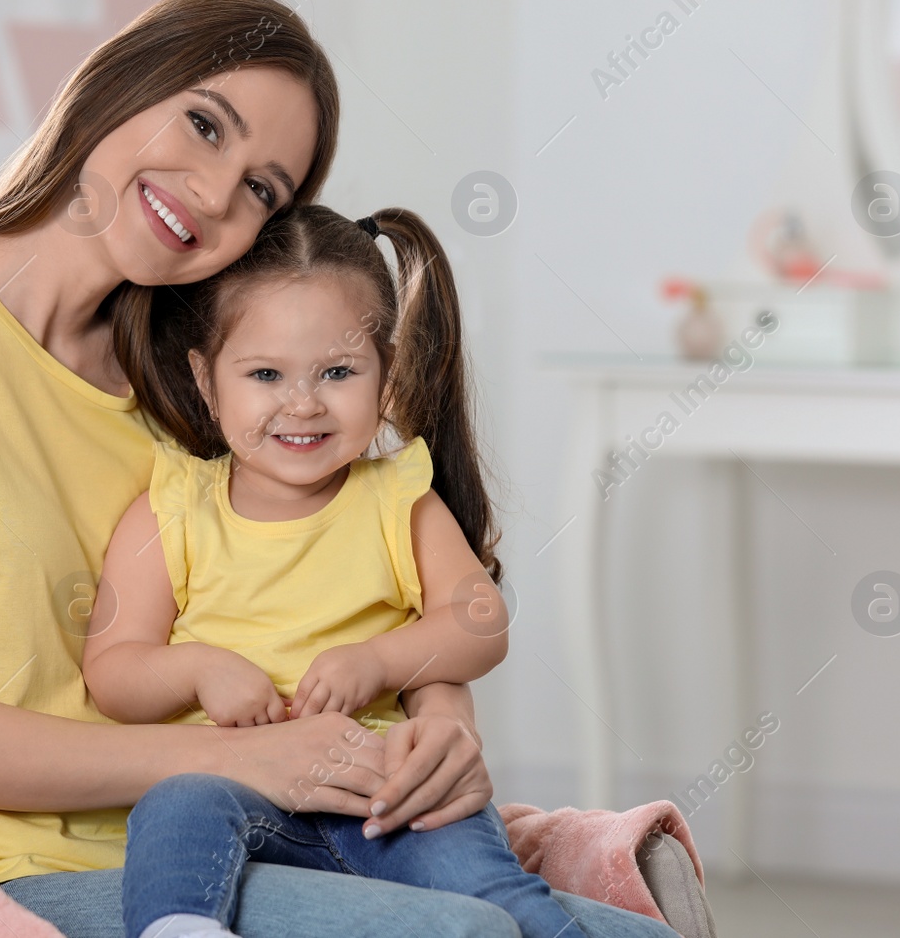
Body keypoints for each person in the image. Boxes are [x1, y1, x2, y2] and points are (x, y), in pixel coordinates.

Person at [0, 0, 525, 938]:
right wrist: (244, 763)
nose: (211, 193)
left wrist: (446, 722)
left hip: (222, 843)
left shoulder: (200, 394)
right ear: (119, 83)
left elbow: (370, 582)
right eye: (205, 125)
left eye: (260, 189)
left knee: (586, 919)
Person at [85, 205, 649, 938]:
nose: (303, 403)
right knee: (176, 807)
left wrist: (379, 657)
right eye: (264, 373)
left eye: (339, 371)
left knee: (495, 900)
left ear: (387, 372)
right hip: (239, 791)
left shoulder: (396, 498)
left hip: (385, 793)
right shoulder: (171, 509)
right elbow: (113, 671)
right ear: (205, 379)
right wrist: (196, 669)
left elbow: (480, 621)